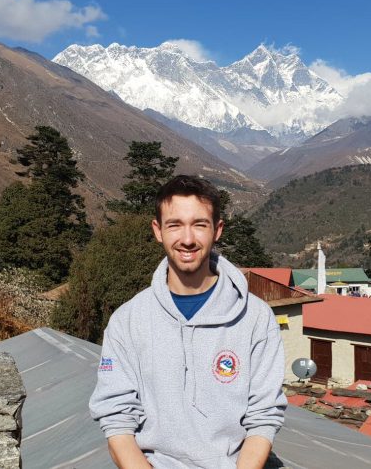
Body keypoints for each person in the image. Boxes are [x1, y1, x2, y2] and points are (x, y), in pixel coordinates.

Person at [90, 175, 287, 468]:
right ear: (158, 230)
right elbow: (117, 419)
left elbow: (263, 417)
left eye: (199, 224)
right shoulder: (127, 321)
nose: (187, 239)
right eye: (175, 225)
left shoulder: (256, 318)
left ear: (217, 230)